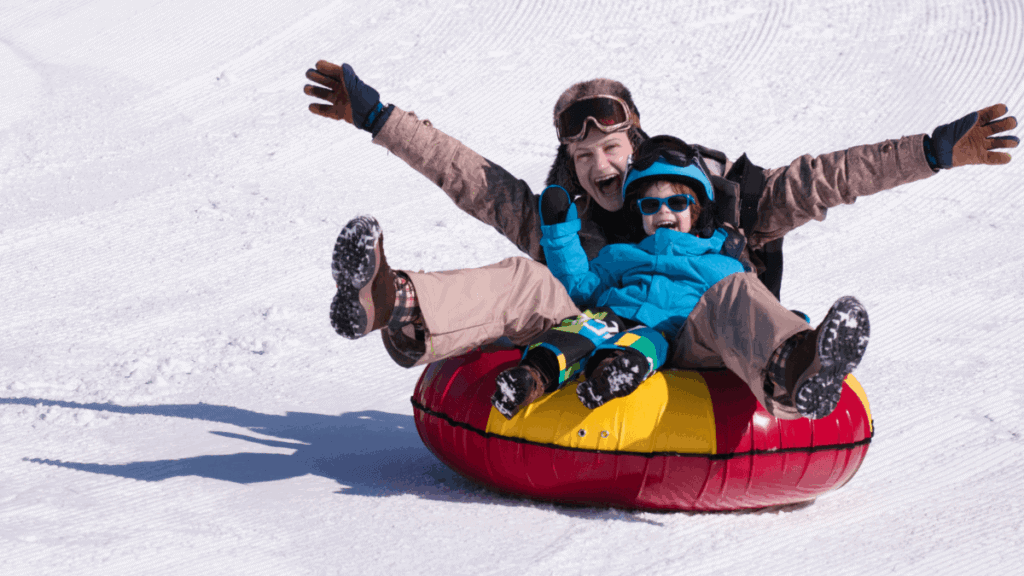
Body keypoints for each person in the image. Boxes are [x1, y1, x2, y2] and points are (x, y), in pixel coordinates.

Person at [305, 61, 1018, 377]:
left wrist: (932, 152)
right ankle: (393, 301)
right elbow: (469, 177)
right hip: (593, 338)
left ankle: (798, 364)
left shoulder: (715, 202)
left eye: (610, 147)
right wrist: (377, 117)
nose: (599, 167)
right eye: (581, 154)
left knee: (739, 292)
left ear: (635, 142)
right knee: (527, 278)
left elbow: (828, 178)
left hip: (702, 340)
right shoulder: (569, 223)